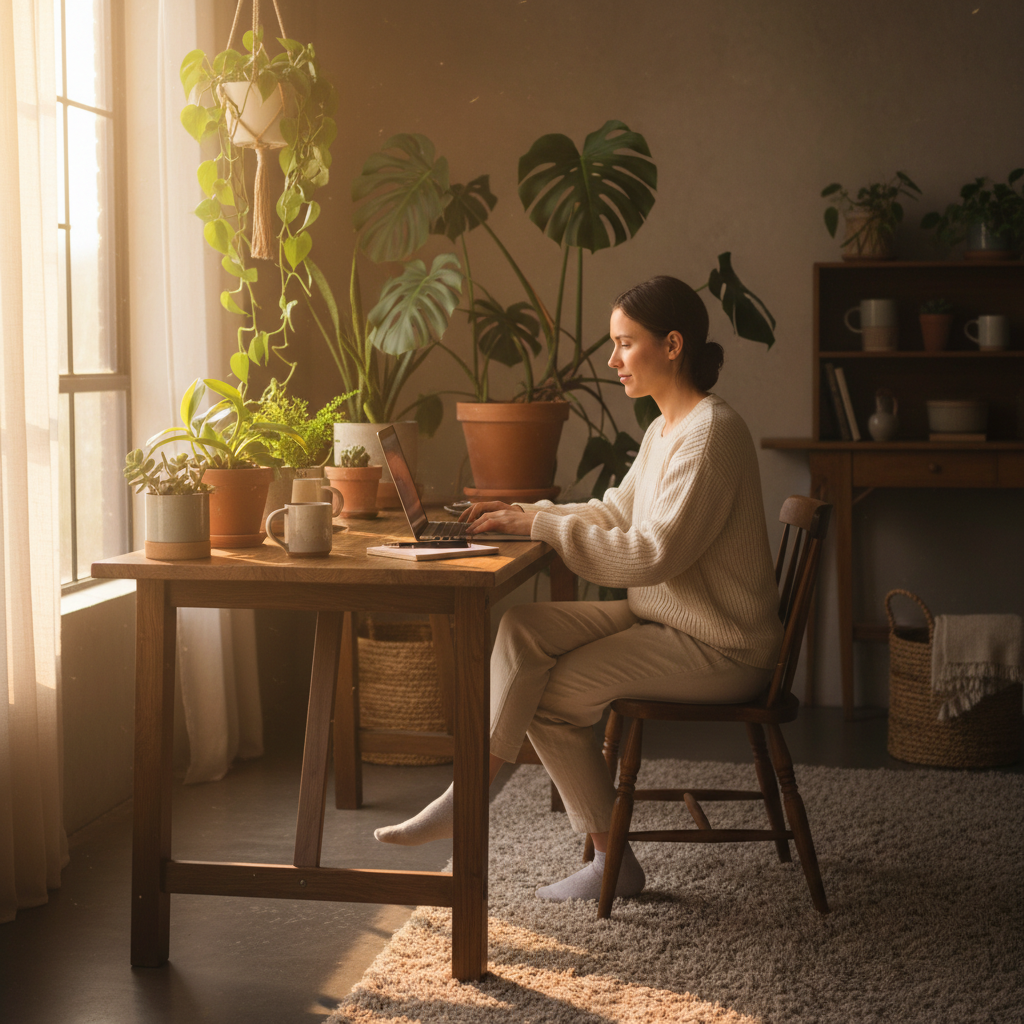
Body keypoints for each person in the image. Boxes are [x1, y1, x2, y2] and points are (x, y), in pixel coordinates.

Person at [374, 275, 784, 903]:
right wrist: (528, 511)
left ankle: (598, 855)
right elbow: (618, 510)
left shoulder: (711, 434)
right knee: (523, 628)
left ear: (672, 345)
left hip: (720, 644)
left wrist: (541, 525)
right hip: (669, 617)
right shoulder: (666, 428)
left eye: (625, 344)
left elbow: (651, 554)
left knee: (545, 695)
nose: (613, 360)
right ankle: (474, 797)